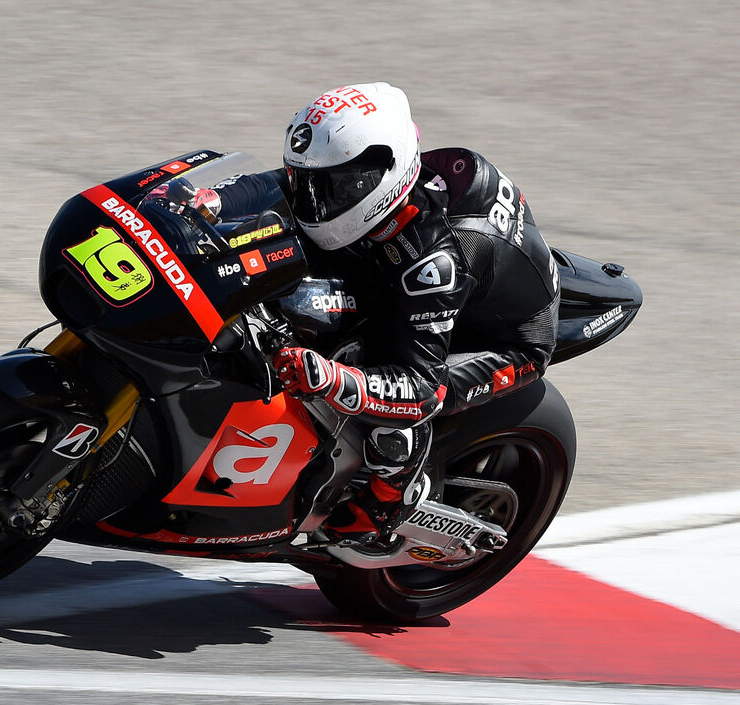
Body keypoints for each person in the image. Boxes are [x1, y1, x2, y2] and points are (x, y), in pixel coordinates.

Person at [160, 82, 560, 547]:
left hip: (501, 336)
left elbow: (419, 387)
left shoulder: (434, 261)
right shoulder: (363, 186)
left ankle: (389, 501)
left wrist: (330, 378)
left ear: (380, 179)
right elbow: (279, 186)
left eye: (333, 188)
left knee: (398, 411)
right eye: (309, 182)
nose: (313, 200)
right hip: (410, 274)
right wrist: (214, 202)